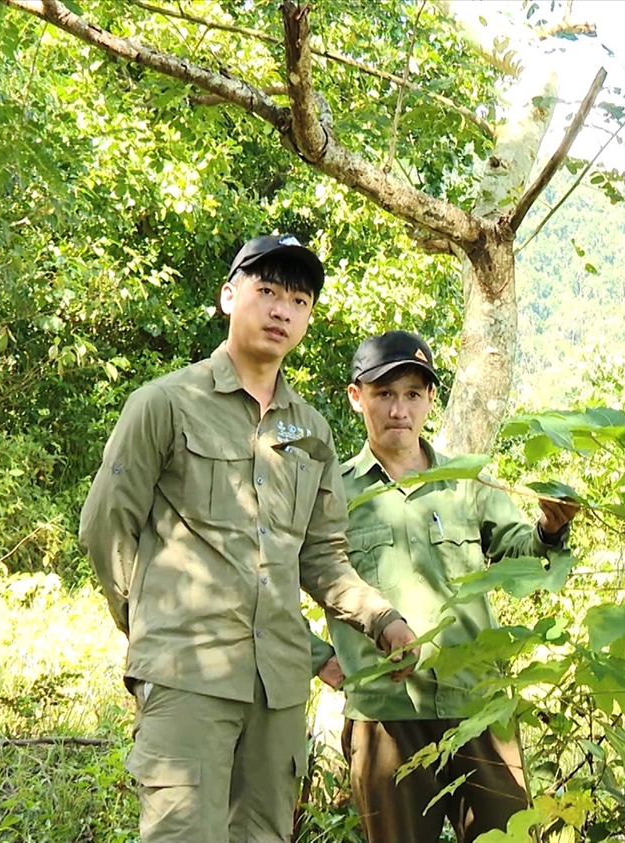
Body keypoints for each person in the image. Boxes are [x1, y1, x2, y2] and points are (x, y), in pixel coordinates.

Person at [79, 235, 419, 843]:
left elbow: (321, 556)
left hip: (279, 687)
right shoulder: (165, 404)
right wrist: (146, 622)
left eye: (298, 299)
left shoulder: (310, 430)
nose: (282, 309)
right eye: (266, 292)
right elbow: (106, 525)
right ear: (229, 296)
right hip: (187, 676)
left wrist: (381, 618)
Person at [310, 330, 578, 842]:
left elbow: (522, 551)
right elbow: (290, 574)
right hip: (389, 713)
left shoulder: (468, 482)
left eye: (413, 393)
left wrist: (550, 529)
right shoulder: (332, 494)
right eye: (384, 393)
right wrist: (314, 655)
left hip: (479, 702)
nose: (399, 409)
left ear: (431, 399)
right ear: (356, 397)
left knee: (510, 835)